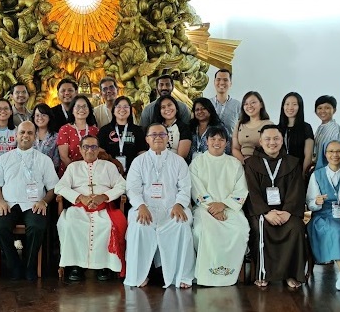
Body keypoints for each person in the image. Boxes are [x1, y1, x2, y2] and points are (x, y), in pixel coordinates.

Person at [123, 124, 195, 288]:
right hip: (145, 208)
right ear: (147, 139)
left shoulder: (178, 161)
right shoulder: (138, 161)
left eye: (162, 134)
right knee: (139, 226)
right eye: (153, 135)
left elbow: (185, 187)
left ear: (168, 138)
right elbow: (132, 188)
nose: (158, 137)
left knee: (181, 225)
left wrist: (179, 204)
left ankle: (181, 275)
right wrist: (141, 206)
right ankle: (139, 275)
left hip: (172, 208)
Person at [0, 121, 59, 280]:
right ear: (16, 135)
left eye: (30, 133)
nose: (25, 136)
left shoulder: (44, 160)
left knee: (36, 226)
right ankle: (14, 263)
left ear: (35, 137)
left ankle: (29, 265)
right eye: (22, 132)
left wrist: (44, 202)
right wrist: (0, 202)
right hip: (9, 204)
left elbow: (53, 188)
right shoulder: (4, 159)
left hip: (34, 204)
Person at [56, 135, 127, 282]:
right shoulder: (73, 167)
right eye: (86, 147)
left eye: (94, 147)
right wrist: (80, 197)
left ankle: (104, 266)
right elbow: (60, 187)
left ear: (98, 149)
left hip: (104, 208)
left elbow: (122, 185)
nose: (90, 150)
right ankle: (76, 266)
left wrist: (104, 196)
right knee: (70, 224)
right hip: (79, 208)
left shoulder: (108, 166)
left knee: (106, 225)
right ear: (80, 149)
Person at [244, 125, 307, 289]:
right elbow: (252, 191)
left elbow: (296, 190)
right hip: (261, 211)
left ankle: (291, 274)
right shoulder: (251, 163)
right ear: (260, 141)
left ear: (282, 141)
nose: (272, 142)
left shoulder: (292, 162)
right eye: (268, 139)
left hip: (287, 211)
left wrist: (287, 211)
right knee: (261, 227)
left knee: (296, 227)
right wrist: (265, 212)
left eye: (276, 138)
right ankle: (263, 273)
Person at [190, 127, 249, 286]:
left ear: (226, 143)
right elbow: (196, 188)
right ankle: (205, 275)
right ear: (206, 141)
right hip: (205, 208)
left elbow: (241, 189)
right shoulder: (197, 163)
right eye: (213, 139)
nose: (217, 142)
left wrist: (223, 205)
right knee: (201, 231)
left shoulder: (234, 163)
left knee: (240, 230)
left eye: (221, 139)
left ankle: (229, 274)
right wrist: (213, 208)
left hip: (230, 207)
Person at [306, 140, 340, 292]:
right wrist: (317, 202)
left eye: (339, 151)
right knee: (337, 231)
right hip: (322, 216)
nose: (335, 155)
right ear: (325, 154)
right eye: (331, 151)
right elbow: (310, 203)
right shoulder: (317, 175)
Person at [97, 96, 147, 173]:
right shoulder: (104, 130)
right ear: (113, 110)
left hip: (133, 172)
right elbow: (100, 153)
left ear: (130, 110)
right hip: (109, 172)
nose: (122, 109)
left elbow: (142, 153)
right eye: (119, 106)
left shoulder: (138, 130)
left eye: (126, 106)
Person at [57, 94, 99, 176]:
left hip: (92, 173)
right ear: (72, 110)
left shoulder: (95, 130)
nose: (81, 109)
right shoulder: (64, 129)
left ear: (89, 110)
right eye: (78, 107)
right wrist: (78, 173)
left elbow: (98, 153)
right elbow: (64, 157)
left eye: (84, 106)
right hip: (70, 173)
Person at [231, 91, 273, 164]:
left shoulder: (268, 125)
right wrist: (244, 163)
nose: (249, 106)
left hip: (261, 164)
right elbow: (235, 148)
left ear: (261, 104)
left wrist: (253, 164)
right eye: (246, 104)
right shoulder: (239, 124)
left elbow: (271, 149)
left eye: (253, 102)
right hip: (240, 163)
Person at [277, 92, 314, 174]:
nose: (290, 107)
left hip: (298, 172)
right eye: (287, 104)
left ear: (300, 107)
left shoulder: (306, 128)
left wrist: (303, 175)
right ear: (283, 106)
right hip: (279, 173)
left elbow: (308, 155)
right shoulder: (277, 129)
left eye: (294, 104)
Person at [313, 95, 340, 170]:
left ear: (334, 110)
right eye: (319, 108)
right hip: (319, 168)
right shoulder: (320, 128)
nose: (323, 111)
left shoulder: (336, 131)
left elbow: (337, 156)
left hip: (329, 170)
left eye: (327, 108)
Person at [189, 97, 228, 162]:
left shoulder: (219, 127)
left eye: (203, 108)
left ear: (210, 110)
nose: (200, 111)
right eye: (197, 110)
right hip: (191, 164)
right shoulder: (191, 127)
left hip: (213, 163)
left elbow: (226, 149)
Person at [155, 95, 192, 160]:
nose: (167, 109)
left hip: (176, 163)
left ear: (176, 108)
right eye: (163, 107)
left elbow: (181, 156)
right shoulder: (155, 127)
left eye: (169, 105)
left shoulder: (184, 128)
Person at [32, 103, 61, 171]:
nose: (40, 118)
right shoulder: (29, 135)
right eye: (37, 115)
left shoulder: (56, 137)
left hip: (49, 173)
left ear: (49, 117)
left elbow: (56, 162)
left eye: (43, 115)